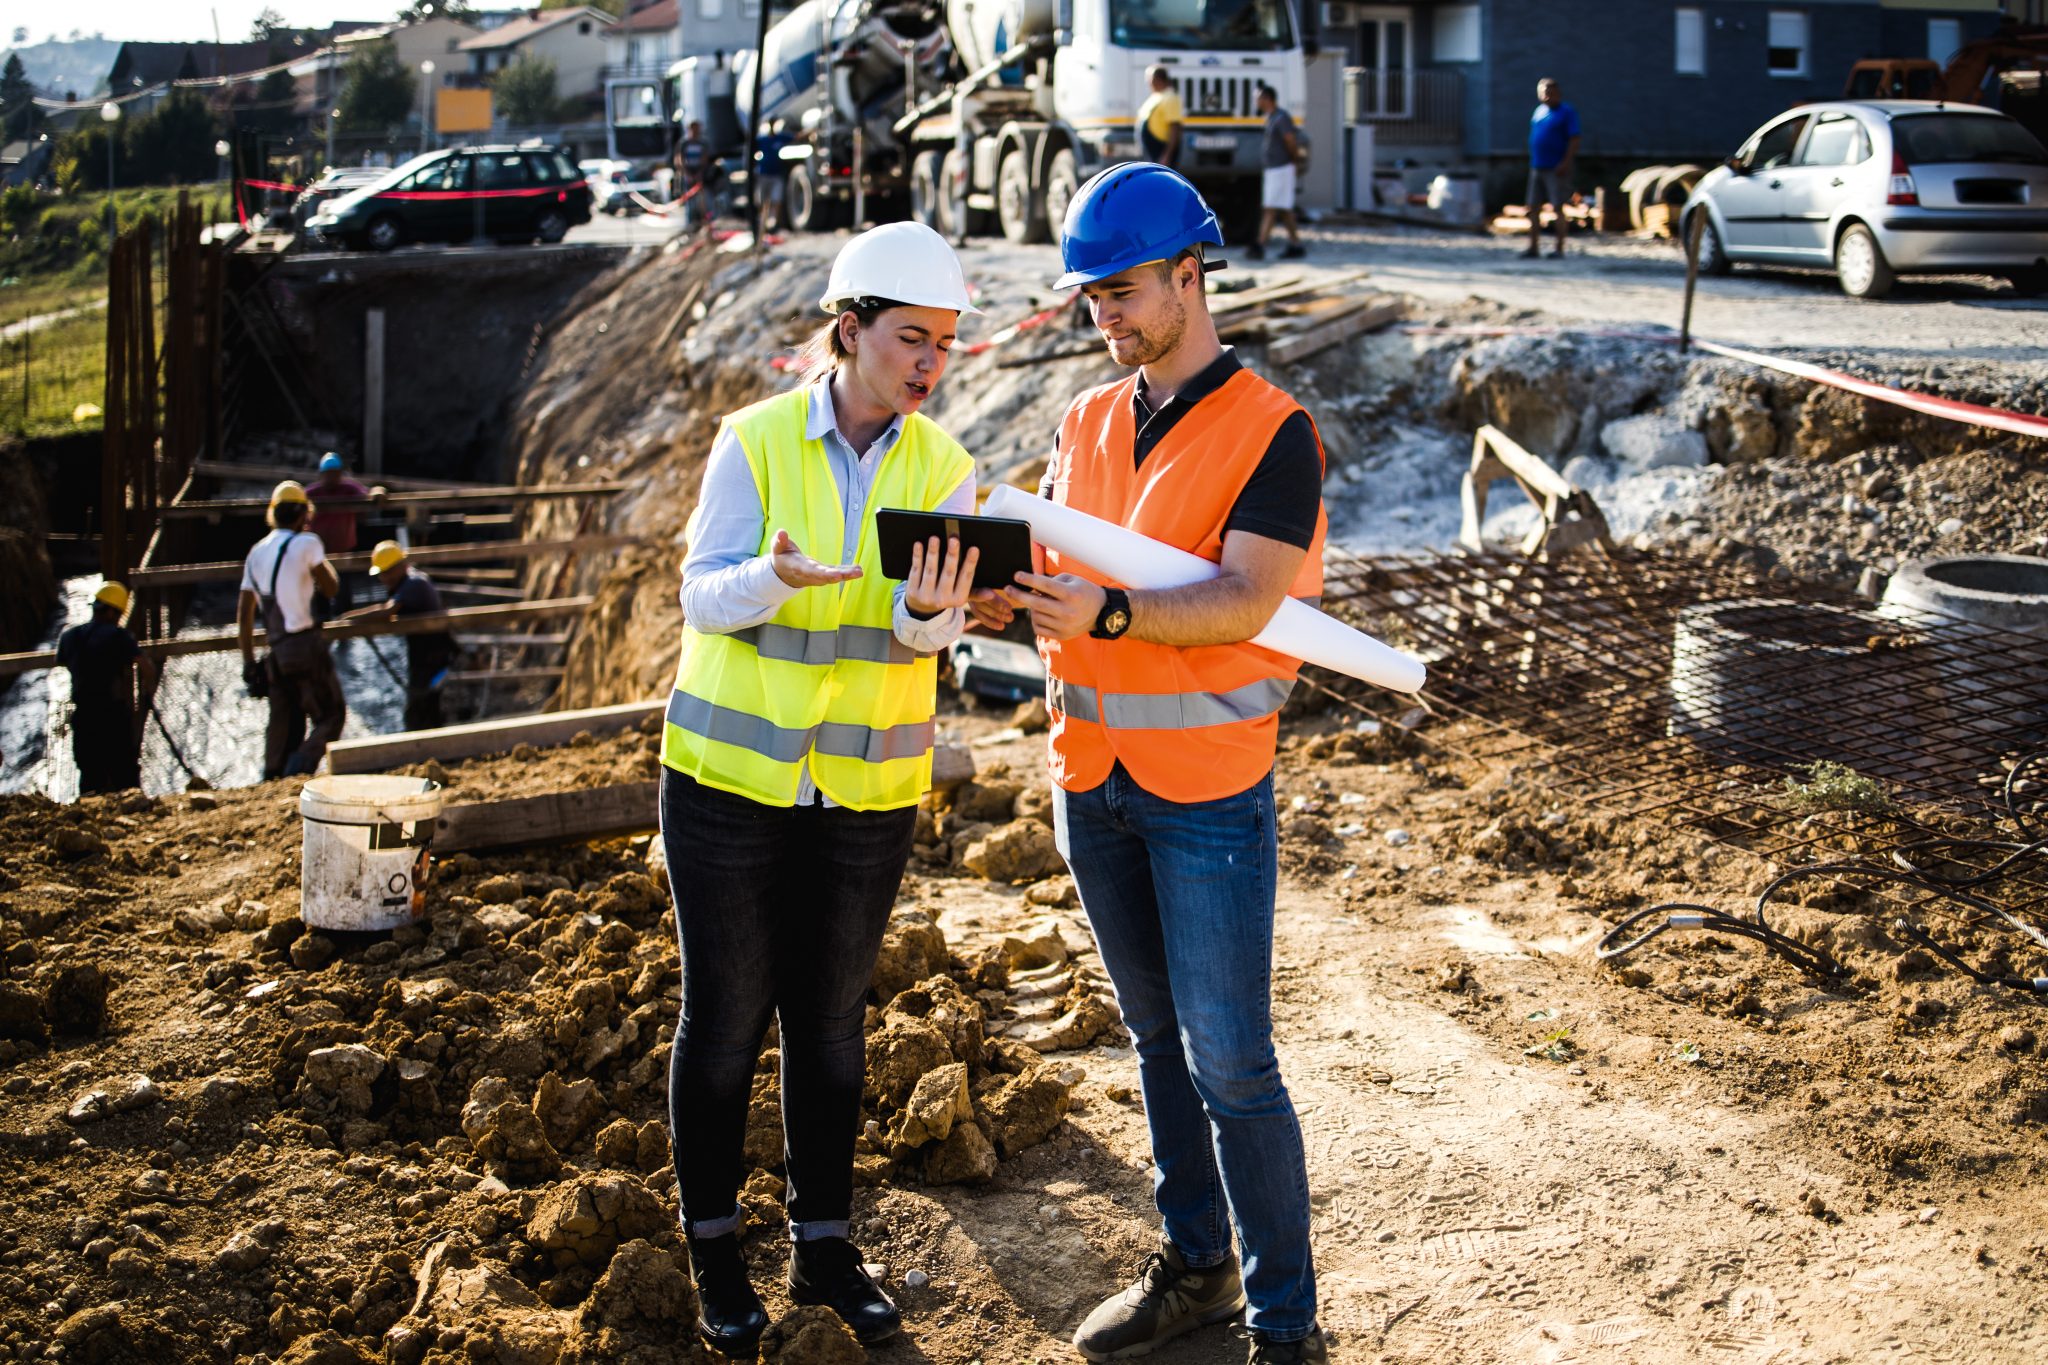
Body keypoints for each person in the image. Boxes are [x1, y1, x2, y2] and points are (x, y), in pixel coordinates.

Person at [968, 163, 1330, 1365]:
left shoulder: (1272, 432)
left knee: (1231, 1061)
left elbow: (1242, 597)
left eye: (1121, 292)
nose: (1104, 318)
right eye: (1089, 300)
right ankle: (1196, 1268)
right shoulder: (1083, 421)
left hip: (1209, 793)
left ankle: (1285, 1328)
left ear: (1189, 273)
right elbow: (1064, 591)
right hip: (1091, 776)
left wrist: (1107, 615)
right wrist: (1002, 602)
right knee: (1157, 1044)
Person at [656, 220, 983, 1357]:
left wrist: (934, 613)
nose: (927, 363)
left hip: (862, 791)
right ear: (847, 333)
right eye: (909, 338)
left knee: (832, 1027)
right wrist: (770, 580)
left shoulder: (942, 465)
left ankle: (824, 1247)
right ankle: (711, 1250)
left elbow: (916, 636)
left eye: (942, 343)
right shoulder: (752, 443)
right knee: (725, 1022)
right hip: (728, 786)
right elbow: (699, 598)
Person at [238, 480, 346, 780]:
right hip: (305, 644)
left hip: (276, 652)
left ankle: (273, 776)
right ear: (303, 514)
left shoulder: (256, 553)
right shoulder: (307, 543)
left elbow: (244, 615)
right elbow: (331, 586)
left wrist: (248, 662)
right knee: (331, 714)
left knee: (284, 720)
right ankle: (300, 766)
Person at [342, 540, 456, 732]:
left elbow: (387, 611)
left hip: (433, 654)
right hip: (424, 653)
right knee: (423, 702)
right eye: (382, 574)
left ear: (399, 567)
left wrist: (347, 619)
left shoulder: (413, 583)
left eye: (386, 573)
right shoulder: (409, 582)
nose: (384, 579)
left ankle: (427, 743)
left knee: (421, 704)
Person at [56, 582, 148, 794]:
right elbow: (145, 665)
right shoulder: (119, 636)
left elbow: (61, 662)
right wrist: (146, 692)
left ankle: (90, 819)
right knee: (125, 778)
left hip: (83, 717)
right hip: (113, 717)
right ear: (112, 611)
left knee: (90, 778)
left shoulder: (69, 637)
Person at [307, 453, 372, 614]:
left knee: (344, 593)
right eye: (328, 474)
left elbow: (369, 494)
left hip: (343, 551)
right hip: (319, 554)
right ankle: (322, 628)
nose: (331, 478)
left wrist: (378, 492)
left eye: (335, 473)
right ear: (322, 475)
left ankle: (345, 630)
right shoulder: (312, 493)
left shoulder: (349, 489)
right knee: (320, 594)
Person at [1524, 77, 1580, 259]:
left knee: (1557, 207)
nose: (1545, 95)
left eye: (1549, 91)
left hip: (1556, 167)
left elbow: (1574, 139)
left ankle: (1559, 248)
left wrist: (1565, 162)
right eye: (1542, 92)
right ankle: (1533, 247)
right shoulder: (1538, 111)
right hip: (1537, 166)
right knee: (1533, 207)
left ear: (1557, 92)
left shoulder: (1566, 112)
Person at [1250, 85, 1304, 261]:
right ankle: (1296, 244)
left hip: (1281, 168)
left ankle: (1260, 244)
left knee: (1271, 208)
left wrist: (1295, 161)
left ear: (1267, 99)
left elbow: (1290, 140)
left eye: (1259, 98)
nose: (1257, 101)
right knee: (1284, 209)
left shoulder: (1281, 118)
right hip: (1275, 169)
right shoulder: (1272, 117)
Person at [1136, 65, 1183, 167]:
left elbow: (1175, 128)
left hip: (1161, 151)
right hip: (1153, 152)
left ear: (1157, 79)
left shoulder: (1170, 97)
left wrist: (1166, 155)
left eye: (1149, 79)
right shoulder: (1157, 96)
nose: (1148, 83)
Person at [677, 119, 711, 229]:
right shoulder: (685, 143)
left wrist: (700, 173)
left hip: (700, 175)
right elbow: (679, 159)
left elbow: (705, 158)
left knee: (703, 201)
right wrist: (687, 174)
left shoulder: (702, 143)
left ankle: (704, 225)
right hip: (688, 175)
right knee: (690, 203)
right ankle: (690, 226)